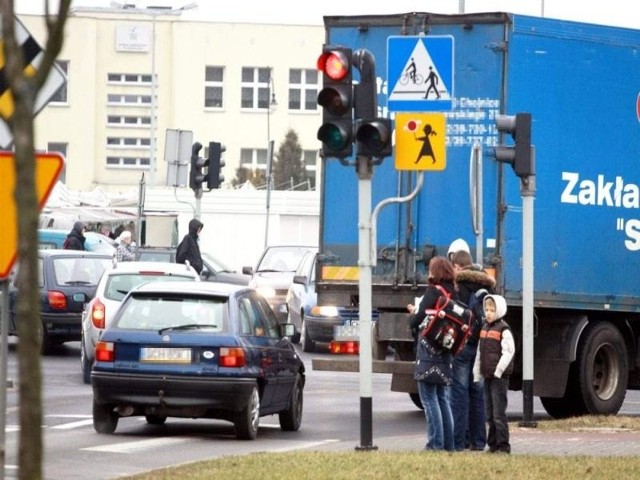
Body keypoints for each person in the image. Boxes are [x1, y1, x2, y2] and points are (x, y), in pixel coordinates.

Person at [407, 256, 455, 451]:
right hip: (445, 349)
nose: (428, 273)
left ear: (435, 272)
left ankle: (435, 444)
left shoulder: (433, 292)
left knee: (428, 397)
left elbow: (416, 320)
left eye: (430, 270)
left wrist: (413, 312)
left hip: (429, 350)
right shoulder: (453, 292)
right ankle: (448, 445)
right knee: (442, 397)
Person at [450, 249, 496, 452]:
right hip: (480, 346)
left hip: (463, 344)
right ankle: (478, 442)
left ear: (458, 266)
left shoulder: (459, 287)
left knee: (459, 393)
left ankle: (458, 442)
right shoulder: (485, 288)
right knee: (477, 395)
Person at [473, 294, 515, 454]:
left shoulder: (503, 329)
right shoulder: (484, 328)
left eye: (492, 309)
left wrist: (499, 371)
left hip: (499, 378)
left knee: (499, 413)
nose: (489, 313)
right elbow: (479, 352)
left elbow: (509, 352)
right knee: (489, 413)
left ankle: (503, 446)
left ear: (500, 310)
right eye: (487, 309)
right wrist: (476, 373)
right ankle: (492, 445)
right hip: (487, 375)